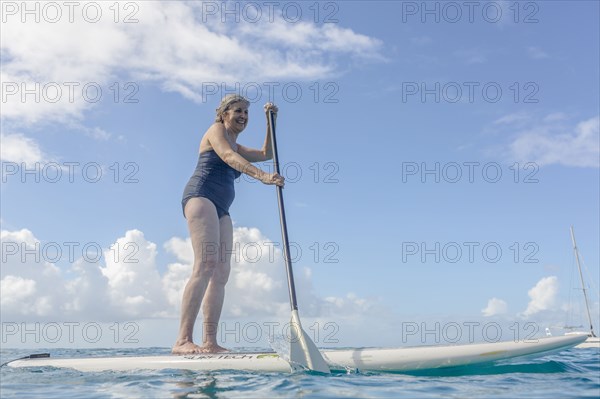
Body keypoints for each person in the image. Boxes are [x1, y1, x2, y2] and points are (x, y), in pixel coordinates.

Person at [173, 95, 284, 354]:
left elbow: (267, 153)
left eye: (247, 112)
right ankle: (182, 340)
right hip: (201, 196)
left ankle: (210, 341)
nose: (243, 115)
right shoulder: (216, 131)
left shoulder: (237, 144)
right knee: (205, 265)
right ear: (224, 114)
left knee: (221, 273)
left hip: (222, 208)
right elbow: (227, 157)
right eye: (238, 110)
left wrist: (271, 122)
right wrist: (263, 177)